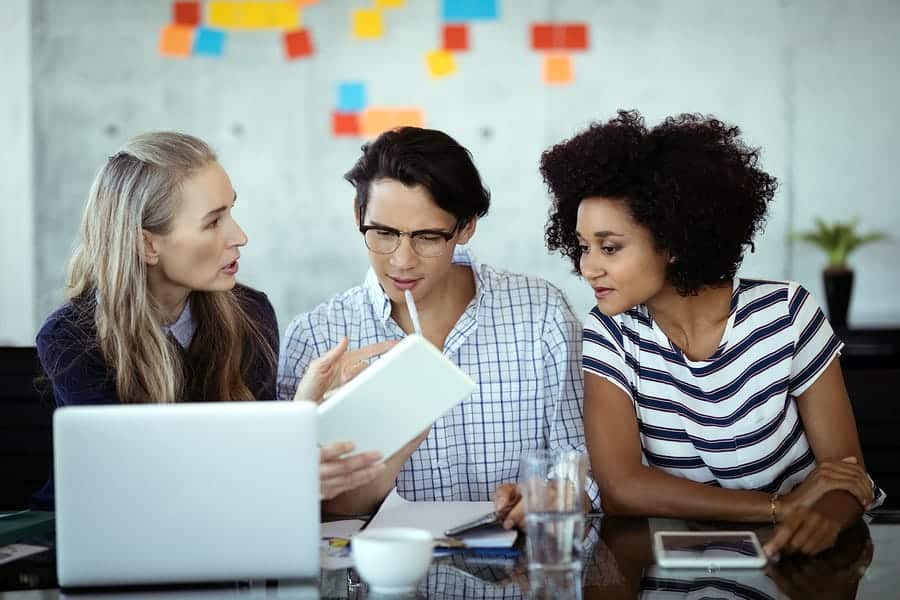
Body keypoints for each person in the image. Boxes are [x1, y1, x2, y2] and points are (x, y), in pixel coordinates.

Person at [539, 110, 884, 556]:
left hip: (803, 560)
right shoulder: (611, 333)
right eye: (584, 247)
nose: (588, 267)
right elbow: (622, 487)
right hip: (683, 570)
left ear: (674, 241)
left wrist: (819, 519)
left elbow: (845, 475)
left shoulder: (785, 313)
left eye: (610, 247)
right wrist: (780, 506)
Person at [33, 132, 383, 508]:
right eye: (213, 222)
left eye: (231, 211)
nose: (240, 236)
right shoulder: (70, 337)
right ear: (147, 245)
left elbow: (253, 470)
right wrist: (284, 464)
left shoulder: (251, 314)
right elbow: (141, 487)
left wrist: (302, 415)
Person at [278, 127, 596, 520]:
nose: (402, 260)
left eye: (427, 238)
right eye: (383, 233)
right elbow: (301, 511)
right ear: (359, 216)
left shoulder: (541, 313)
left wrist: (553, 495)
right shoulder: (316, 338)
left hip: (515, 574)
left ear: (465, 227)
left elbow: (584, 469)